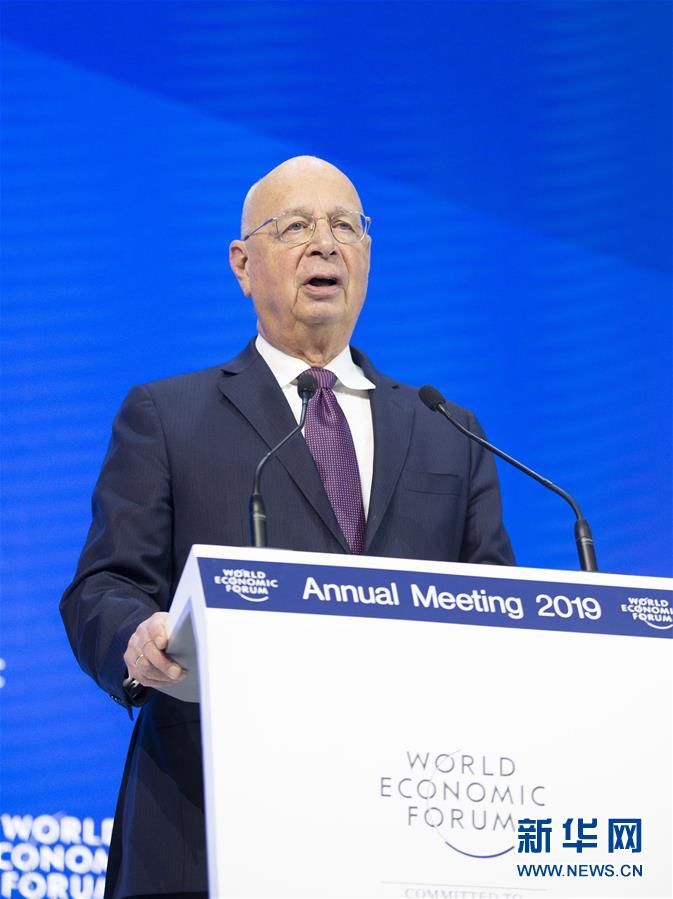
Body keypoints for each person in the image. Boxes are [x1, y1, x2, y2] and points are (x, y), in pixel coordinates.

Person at [61, 156, 514, 898]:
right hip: (210, 812)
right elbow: (102, 585)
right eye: (296, 226)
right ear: (243, 265)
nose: (325, 244)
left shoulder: (447, 430)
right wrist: (135, 637)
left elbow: (494, 606)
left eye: (345, 227)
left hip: (406, 821)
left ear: (367, 255)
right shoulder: (168, 416)